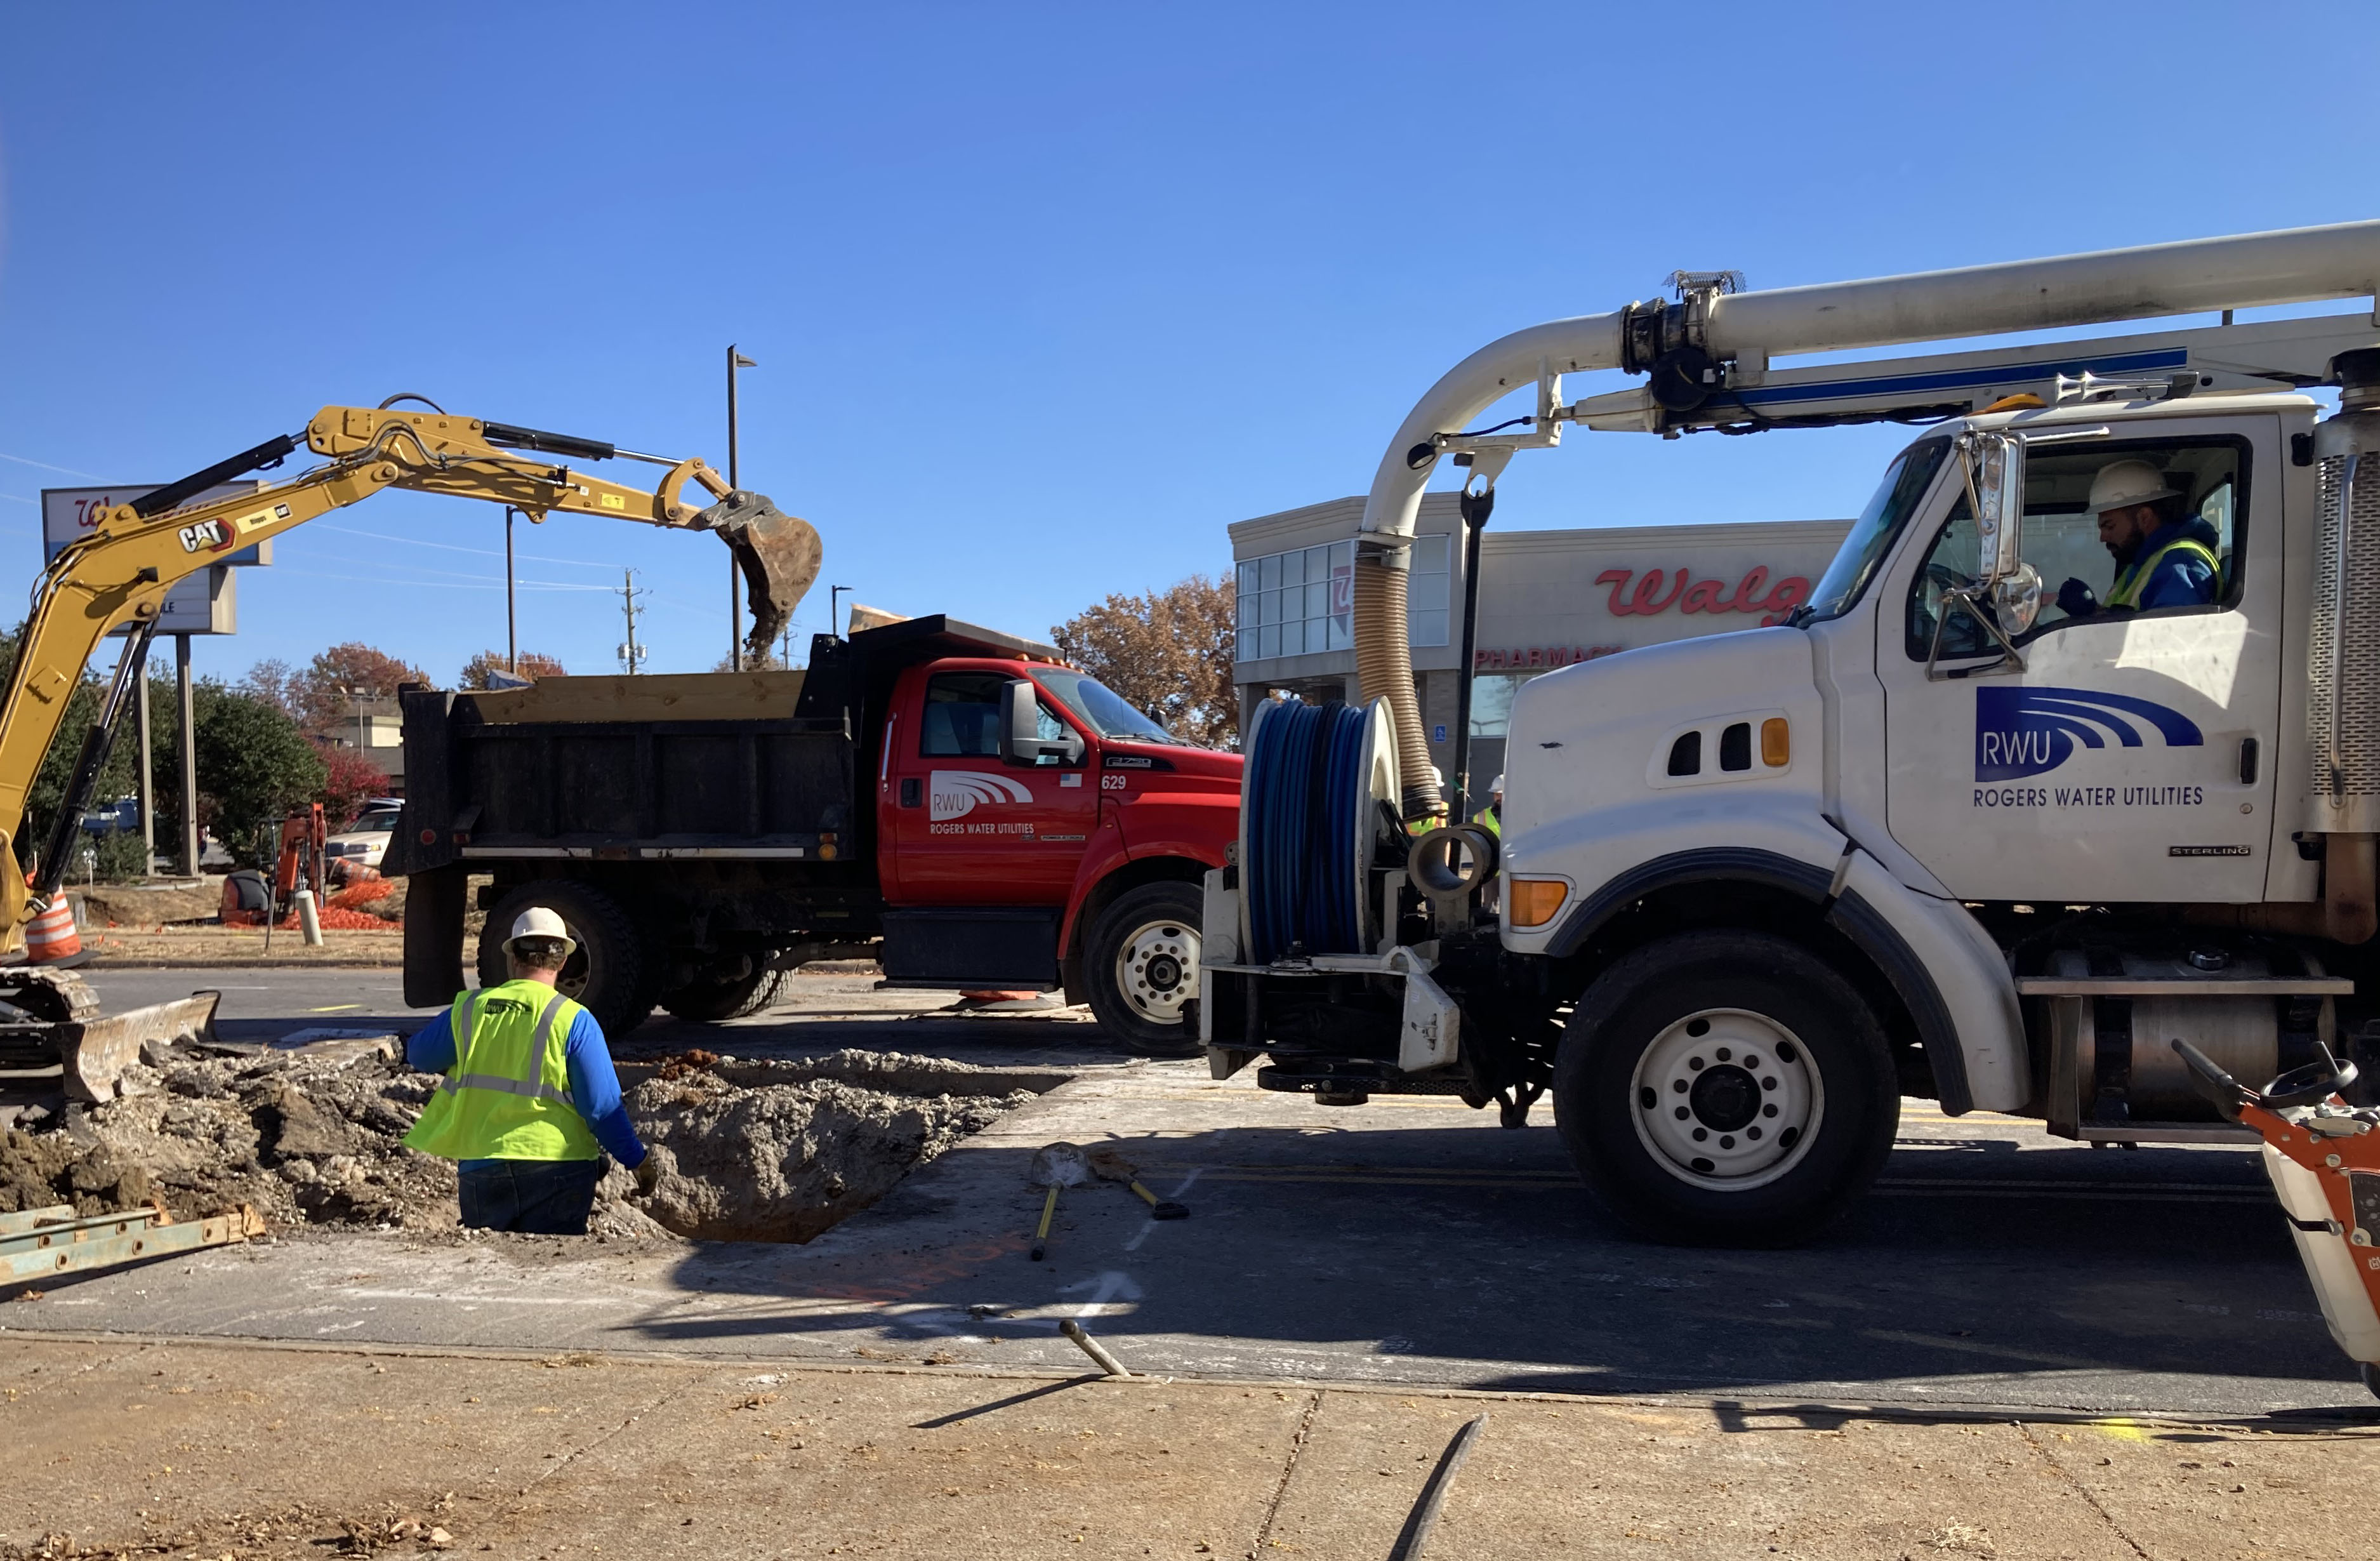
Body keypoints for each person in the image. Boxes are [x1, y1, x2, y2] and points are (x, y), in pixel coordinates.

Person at [403, 908, 654, 1234]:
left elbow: (420, 1055)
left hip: (483, 1169)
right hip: (558, 1169)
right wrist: (636, 1160)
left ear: (513, 959)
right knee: (550, 1273)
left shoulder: (470, 1010)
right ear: (563, 961)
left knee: (493, 1273)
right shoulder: (573, 1020)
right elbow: (601, 1109)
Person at [2054, 459, 2221, 619]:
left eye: (2110, 526)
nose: (2103, 537)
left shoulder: (2180, 563)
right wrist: (2094, 613)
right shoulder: (2143, 564)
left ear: (2144, 517)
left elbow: (2168, 640)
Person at [1474, 773, 1505, 837]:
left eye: (1503, 794)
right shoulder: (1480, 818)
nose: (1499, 798)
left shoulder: (1522, 816)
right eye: (1497, 794)